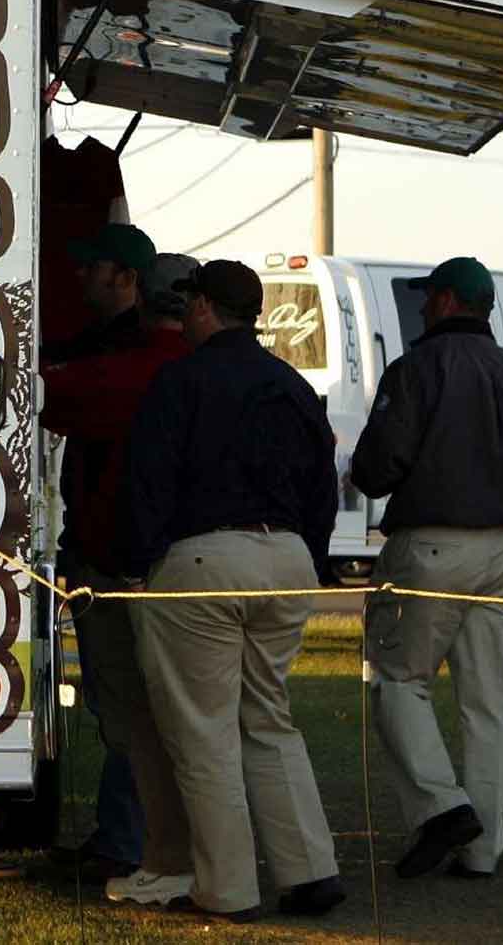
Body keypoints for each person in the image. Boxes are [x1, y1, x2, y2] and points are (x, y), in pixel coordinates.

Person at [115, 259, 345, 922]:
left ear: (208, 308)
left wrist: (137, 566)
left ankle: (229, 889)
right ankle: (311, 871)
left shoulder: (180, 380)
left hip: (204, 562)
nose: (183, 315)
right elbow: (323, 483)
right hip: (289, 557)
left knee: (206, 732)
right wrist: (311, 554)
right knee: (268, 715)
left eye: (190, 305)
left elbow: (149, 480)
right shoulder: (294, 386)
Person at [350, 256, 503, 879]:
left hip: (432, 544)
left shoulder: (416, 369)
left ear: (442, 301)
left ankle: (443, 806)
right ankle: (483, 847)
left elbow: (375, 467)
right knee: (489, 700)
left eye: (426, 299)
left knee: (397, 680)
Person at [40, 228, 188, 879]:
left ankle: (132, 843)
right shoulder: (151, 355)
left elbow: (56, 400)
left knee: (129, 706)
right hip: (147, 554)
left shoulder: (136, 361)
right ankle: (138, 839)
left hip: (120, 555)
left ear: (127, 279)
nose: (80, 280)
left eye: (91, 268)